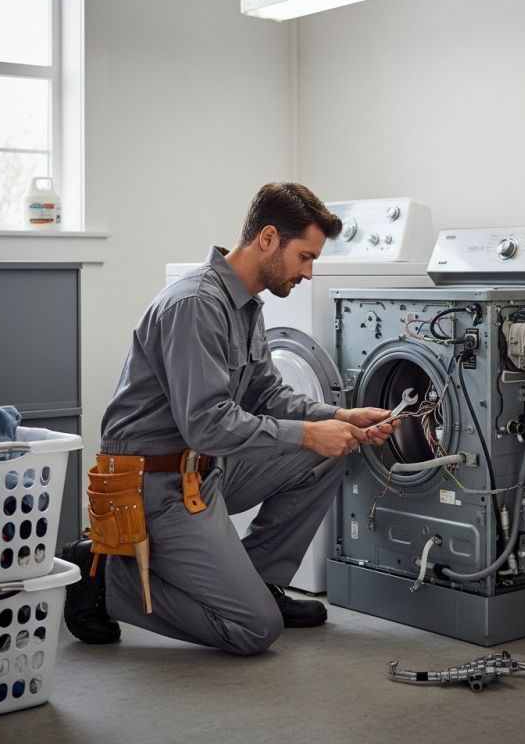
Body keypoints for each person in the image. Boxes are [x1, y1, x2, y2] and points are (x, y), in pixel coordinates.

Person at [63, 182, 398, 655]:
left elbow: (267, 394)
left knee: (329, 453)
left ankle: (260, 583)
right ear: (268, 238)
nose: (308, 272)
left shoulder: (245, 304)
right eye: (305, 257)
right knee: (254, 630)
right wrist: (308, 434)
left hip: (205, 469)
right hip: (153, 485)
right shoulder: (196, 304)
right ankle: (106, 578)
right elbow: (207, 424)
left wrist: (342, 416)